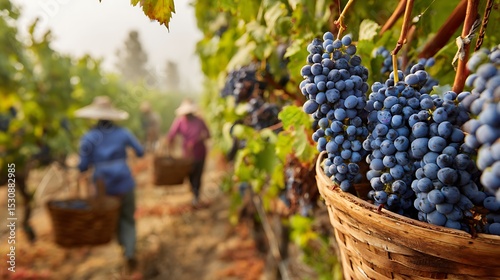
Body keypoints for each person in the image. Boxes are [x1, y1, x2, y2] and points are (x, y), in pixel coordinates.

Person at [74, 96, 144, 272]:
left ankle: (124, 249)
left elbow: (82, 166)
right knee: (128, 218)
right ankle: (129, 251)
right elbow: (141, 151)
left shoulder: (89, 137)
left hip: (103, 186)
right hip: (124, 181)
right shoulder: (123, 133)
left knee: (113, 218)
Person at [166, 99, 210, 206]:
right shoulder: (180, 121)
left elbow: (208, 134)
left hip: (200, 152)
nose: (187, 115)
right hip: (187, 154)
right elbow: (172, 134)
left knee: (198, 174)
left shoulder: (200, 121)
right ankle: (194, 192)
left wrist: (200, 138)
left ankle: (196, 194)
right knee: (190, 174)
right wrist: (168, 143)